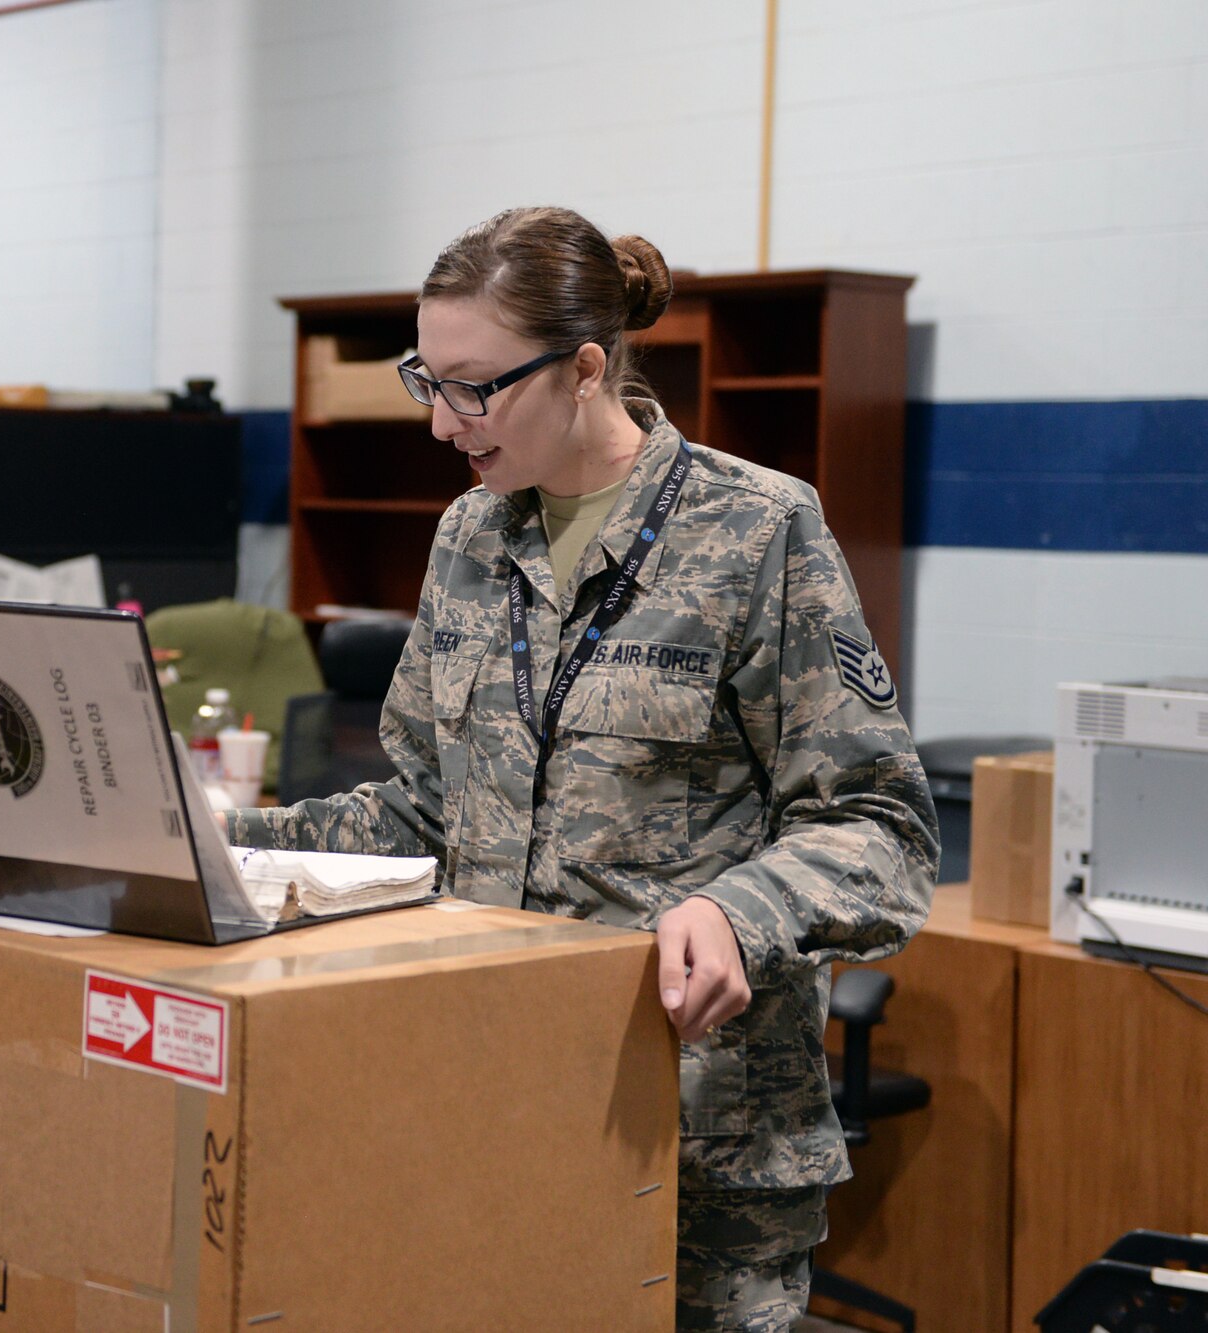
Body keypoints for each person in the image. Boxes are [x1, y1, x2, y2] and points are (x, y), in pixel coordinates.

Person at [224, 206, 938, 1331]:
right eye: (426, 380)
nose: (438, 422)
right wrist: (217, 831)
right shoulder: (468, 536)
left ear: (586, 368)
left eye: (474, 387)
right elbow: (415, 814)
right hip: (488, 1109)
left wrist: (734, 908)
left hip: (695, 1141)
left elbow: (879, 830)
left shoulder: (756, 530)